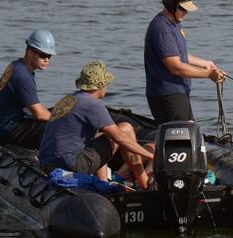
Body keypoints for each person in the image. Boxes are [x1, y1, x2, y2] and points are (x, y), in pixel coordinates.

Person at [39, 60, 157, 189]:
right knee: (126, 129)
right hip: (69, 168)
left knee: (103, 135)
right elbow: (120, 137)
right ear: (101, 85)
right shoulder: (92, 104)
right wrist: (150, 155)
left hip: (47, 165)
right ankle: (144, 184)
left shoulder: (69, 99)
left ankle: (104, 183)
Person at [144, 0, 226, 125]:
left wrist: (206, 64)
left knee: (189, 133)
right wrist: (209, 74)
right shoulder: (161, 28)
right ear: (171, 5)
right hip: (167, 94)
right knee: (180, 141)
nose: (186, 12)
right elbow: (175, 67)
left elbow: (179, 55)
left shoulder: (174, 24)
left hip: (179, 92)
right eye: (183, 8)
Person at [0, 29, 56, 148]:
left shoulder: (18, 65)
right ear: (30, 52)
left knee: (62, 110)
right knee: (63, 125)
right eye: (42, 55)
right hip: (12, 131)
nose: (46, 59)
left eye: (49, 55)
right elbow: (39, 114)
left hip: (9, 125)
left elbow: (35, 105)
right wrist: (63, 120)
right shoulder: (22, 75)